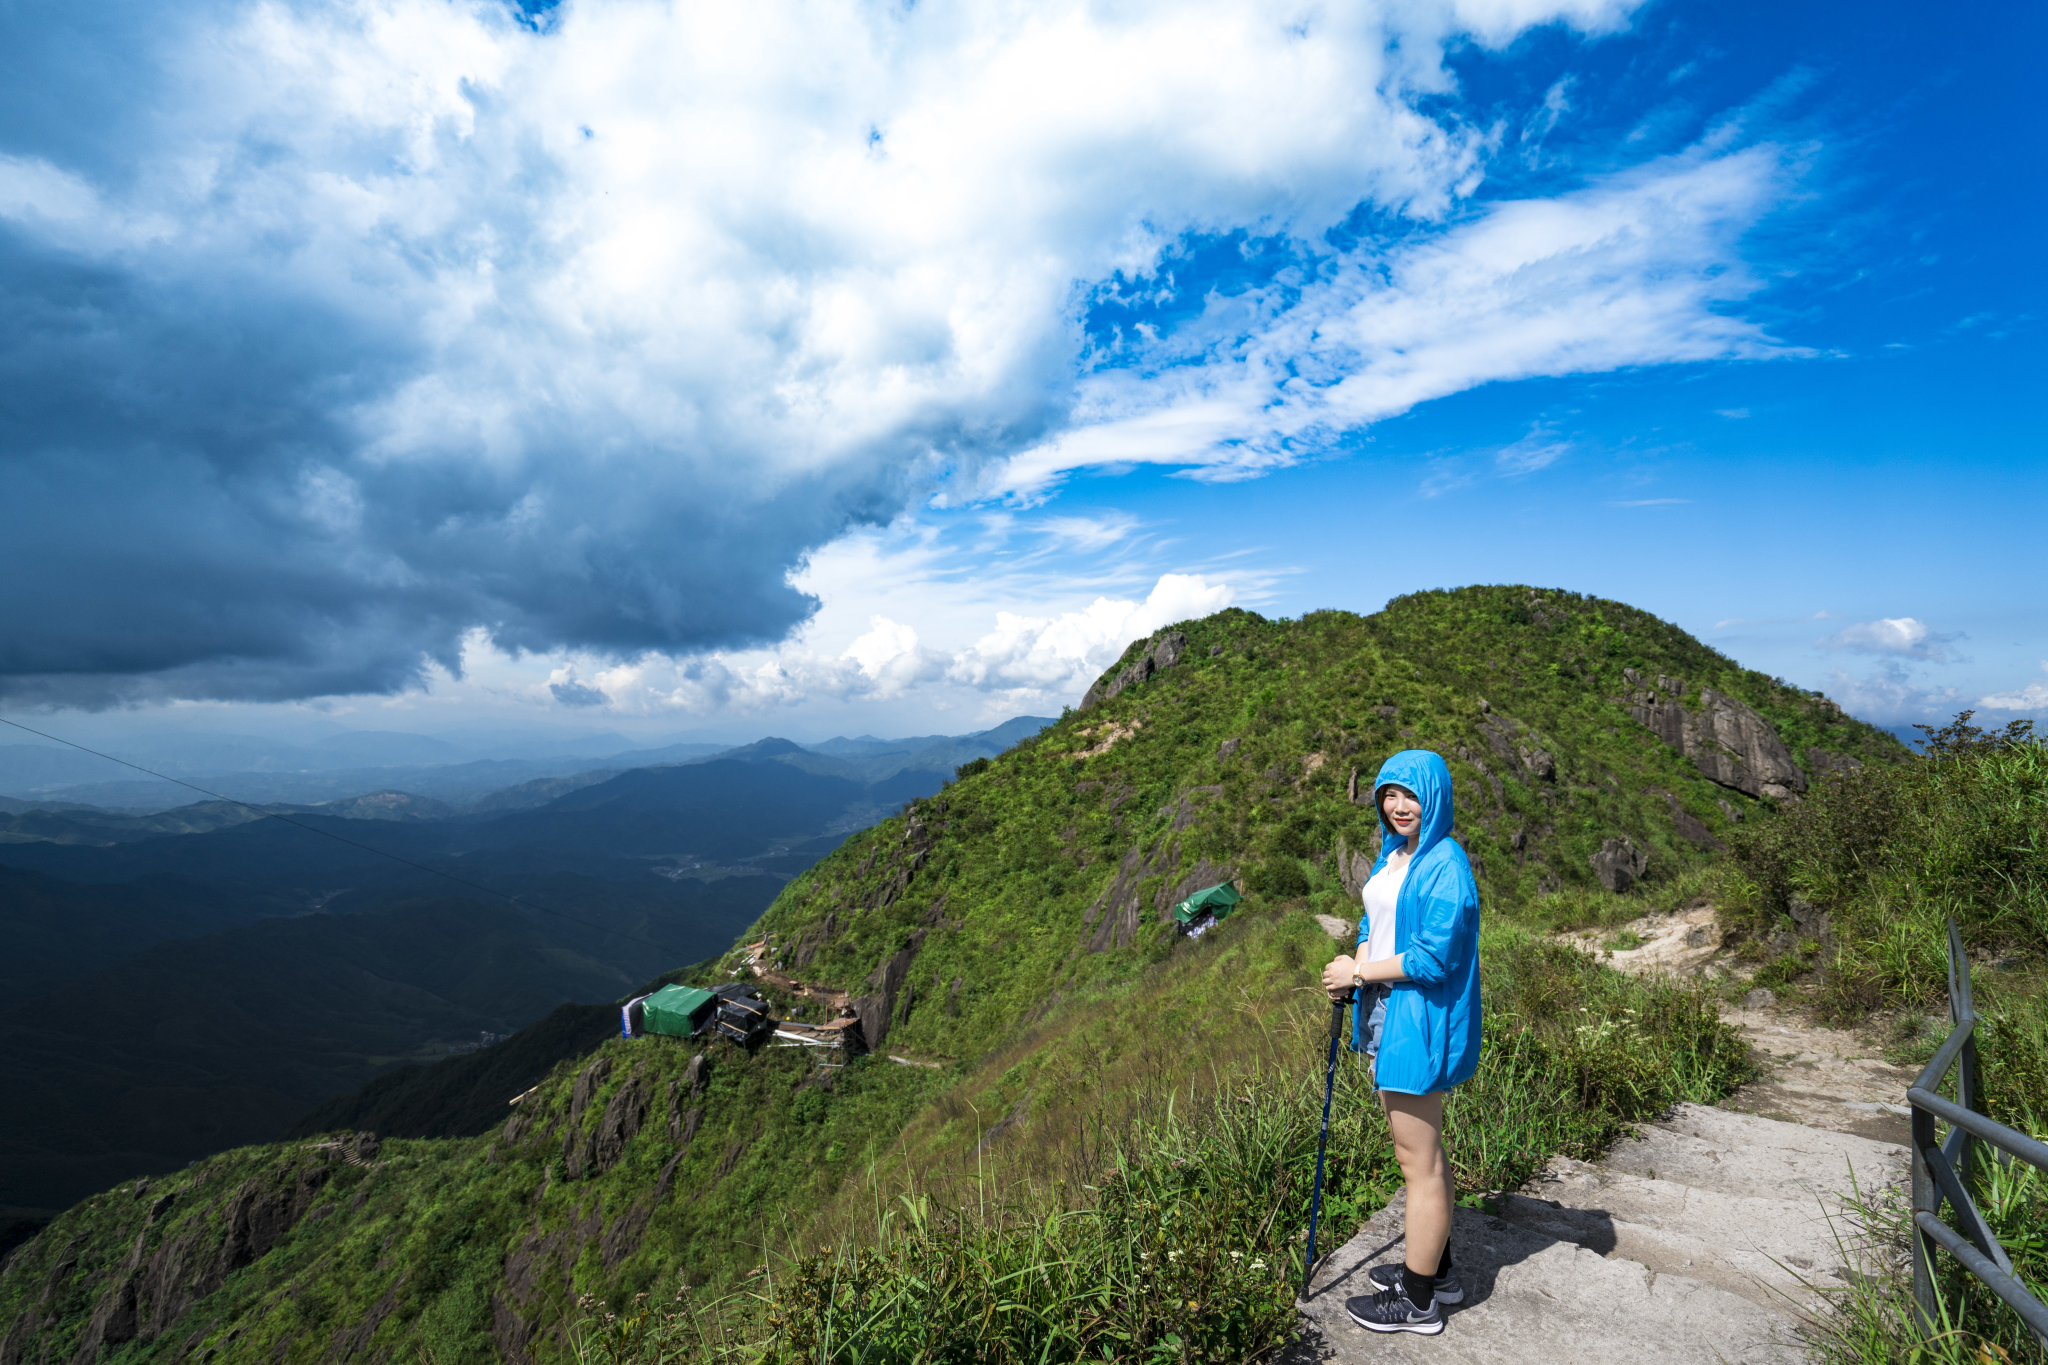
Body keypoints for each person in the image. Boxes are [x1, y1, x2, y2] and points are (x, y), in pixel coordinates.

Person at [1320, 749, 1482, 1336]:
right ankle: (1436, 1275)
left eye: (1409, 795)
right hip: (1385, 1010)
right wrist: (1355, 963)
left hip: (1415, 1017)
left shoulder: (1445, 865)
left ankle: (1417, 1305)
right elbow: (1372, 924)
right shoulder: (1398, 855)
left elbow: (1435, 959)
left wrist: (1359, 975)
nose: (1398, 806)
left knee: (1419, 1163)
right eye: (1389, 794)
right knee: (1422, 1155)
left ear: (1433, 797)